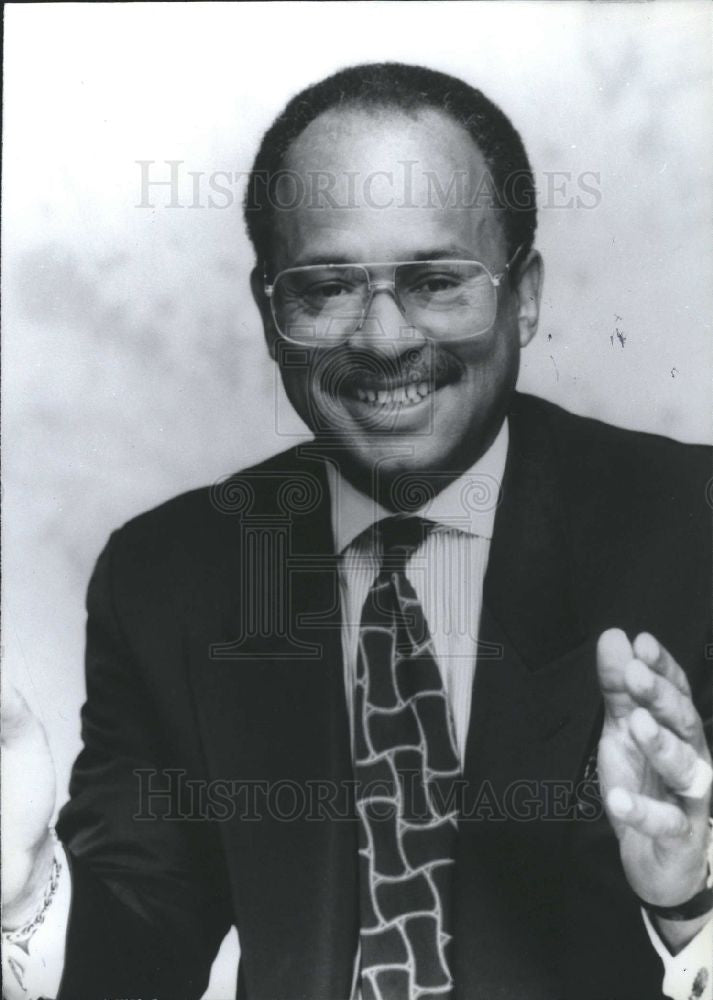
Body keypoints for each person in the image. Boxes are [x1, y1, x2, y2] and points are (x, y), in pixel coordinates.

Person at [2, 62, 711, 1000]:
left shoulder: (689, 528)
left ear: (524, 295)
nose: (382, 340)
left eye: (436, 280)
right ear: (269, 315)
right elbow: (131, 961)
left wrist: (688, 906)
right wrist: (25, 889)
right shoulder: (169, 578)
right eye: (327, 287)